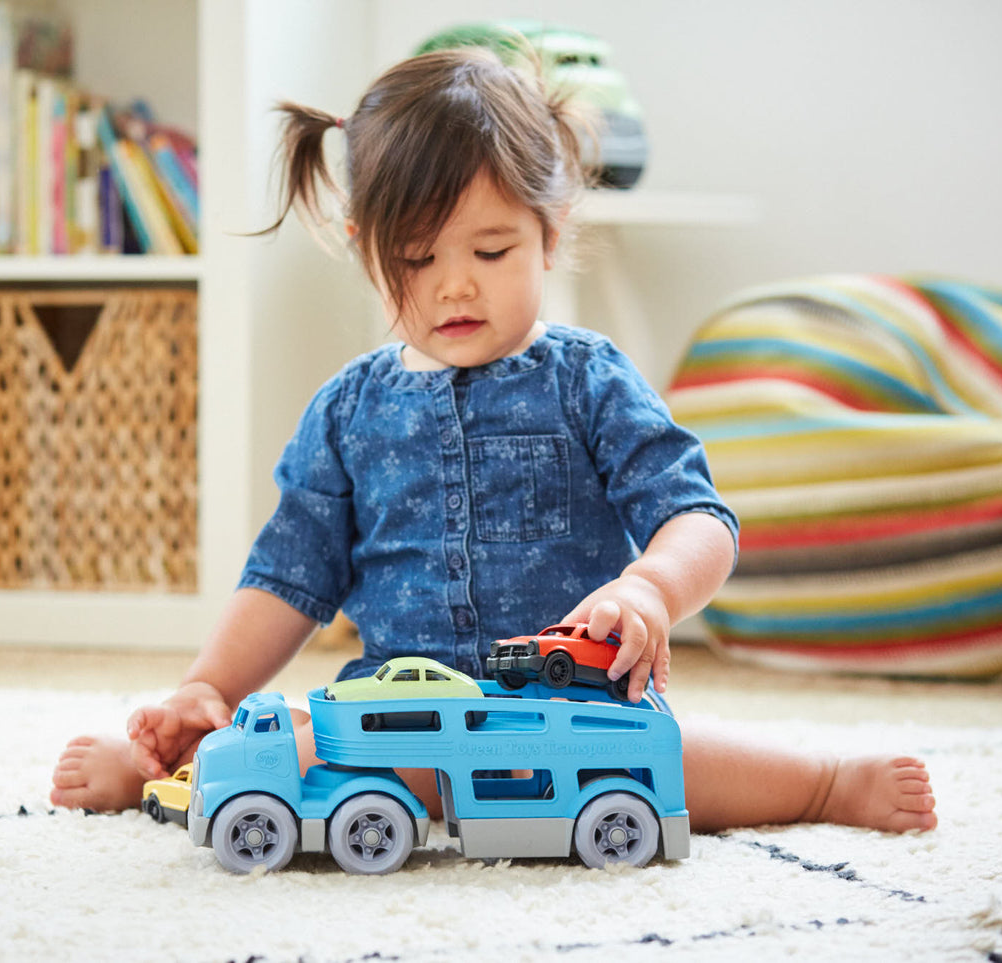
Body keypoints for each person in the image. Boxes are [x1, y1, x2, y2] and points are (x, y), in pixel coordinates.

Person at [51, 47, 937, 835]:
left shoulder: (588, 379)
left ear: (549, 233)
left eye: (490, 251)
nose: (454, 286)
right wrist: (209, 685)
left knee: (671, 761)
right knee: (281, 755)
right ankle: (163, 768)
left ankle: (825, 783)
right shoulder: (347, 409)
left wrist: (650, 589)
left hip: (575, 707)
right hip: (396, 722)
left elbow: (697, 517)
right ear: (365, 249)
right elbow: (288, 575)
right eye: (417, 258)